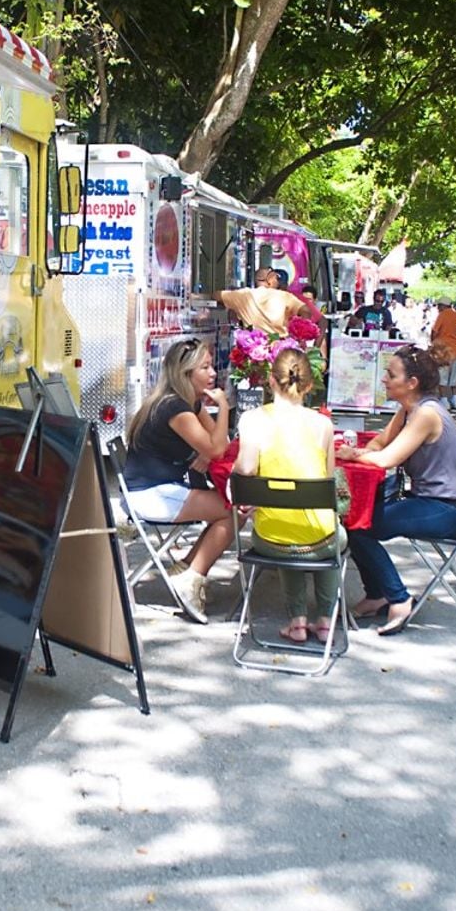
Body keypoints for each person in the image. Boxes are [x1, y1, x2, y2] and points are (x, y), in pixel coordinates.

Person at [337, 346, 456, 635]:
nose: (384, 379)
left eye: (391, 374)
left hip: (448, 509)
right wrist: (364, 452)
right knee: (356, 520)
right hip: (427, 501)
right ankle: (377, 594)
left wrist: (354, 455)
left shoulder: (426, 414)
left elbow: (386, 459)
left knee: (359, 526)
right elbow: (379, 444)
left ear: (412, 383)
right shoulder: (409, 410)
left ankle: (398, 598)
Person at [233, 349, 339, 643]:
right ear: (309, 385)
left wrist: (235, 467)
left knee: (285, 529)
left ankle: (297, 621)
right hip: (320, 538)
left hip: (271, 540)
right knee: (333, 535)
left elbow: (246, 467)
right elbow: (328, 480)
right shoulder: (323, 425)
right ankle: (326, 620)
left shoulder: (253, 419)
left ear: (270, 380)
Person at [123, 339, 233, 621]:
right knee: (235, 510)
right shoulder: (175, 408)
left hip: (158, 488)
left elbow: (217, 445)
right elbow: (218, 448)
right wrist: (223, 407)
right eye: (205, 367)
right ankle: (193, 575)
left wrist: (207, 451)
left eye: (211, 366)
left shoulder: (186, 403)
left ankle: (185, 569)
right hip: (150, 495)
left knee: (232, 506)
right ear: (185, 373)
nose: (213, 373)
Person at [217, 267, 307, 337]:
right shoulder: (284, 296)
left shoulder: (244, 294)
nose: (278, 281)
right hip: (280, 348)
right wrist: (298, 334)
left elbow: (216, 295)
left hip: (252, 348)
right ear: (269, 280)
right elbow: (306, 311)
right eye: (276, 277)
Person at [429, 296, 456, 411]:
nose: (438, 308)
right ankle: (455, 399)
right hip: (455, 350)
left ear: (442, 306)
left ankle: (444, 400)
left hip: (443, 350)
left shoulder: (442, 315)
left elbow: (434, 331)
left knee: (442, 375)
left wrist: (433, 342)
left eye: (439, 306)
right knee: (454, 375)